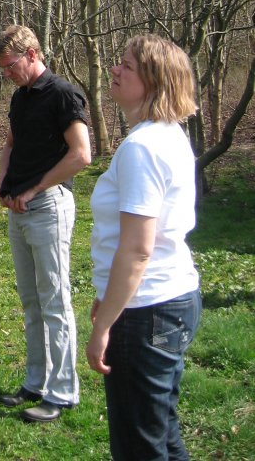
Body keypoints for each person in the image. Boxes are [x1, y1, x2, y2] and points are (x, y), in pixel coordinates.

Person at [86, 35, 201, 460]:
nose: (114, 70)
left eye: (127, 66)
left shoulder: (143, 148)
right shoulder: (167, 135)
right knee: (162, 435)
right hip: (170, 300)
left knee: (140, 447)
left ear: (153, 82)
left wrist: (103, 327)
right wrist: (107, 294)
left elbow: (137, 250)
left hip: (147, 311)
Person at [0, 25, 92, 422]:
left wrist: (35, 188)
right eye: (2, 69)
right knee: (31, 301)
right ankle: (35, 382)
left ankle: (63, 392)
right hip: (18, 209)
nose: (7, 74)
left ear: (32, 54)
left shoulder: (64, 94)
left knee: (55, 302)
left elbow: (81, 155)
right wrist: (3, 183)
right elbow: (10, 143)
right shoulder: (20, 97)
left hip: (49, 206)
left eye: (11, 65)